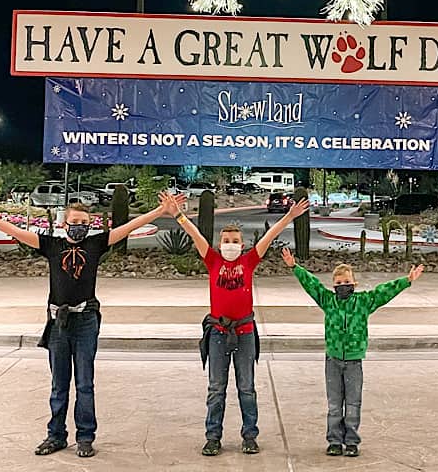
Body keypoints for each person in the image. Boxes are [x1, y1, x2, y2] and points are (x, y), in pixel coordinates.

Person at [0, 191, 185, 459]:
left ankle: (85, 437)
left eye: (85, 222)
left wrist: (160, 212)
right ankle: (56, 435)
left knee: (85, 383)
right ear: (64, 224)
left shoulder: (95, 245)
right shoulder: (51, 246)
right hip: (59, 323)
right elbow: (17, 232)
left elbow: (127, 228)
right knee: (59, 383)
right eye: (75, 221)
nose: (80, 226)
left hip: (86, 320)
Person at [176, 196, 310, 456]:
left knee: (246, 388)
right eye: (226, 241)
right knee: (216, 388)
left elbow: (269, 236)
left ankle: (250, 435)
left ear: (243, 244)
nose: (230, 245)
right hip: (217, 334)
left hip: (245, 334)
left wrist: (289, 217)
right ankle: (213, 437)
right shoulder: (212, 261)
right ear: (219, 244)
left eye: (235, 241)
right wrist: (178, 215)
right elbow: (194, 233)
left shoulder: (248, 262)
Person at [282, 248, 424, 457]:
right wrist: (295, 267)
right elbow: (312, 285)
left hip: (354, 361)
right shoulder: (328, 301)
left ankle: (351, 441)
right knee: (334, 404)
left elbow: (383, 292)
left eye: (346, 282)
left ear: (354, 284)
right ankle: (334, 441)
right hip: (332, 360)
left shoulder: (363, 302)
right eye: (338, 283)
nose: (342, 286)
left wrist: (406, 280)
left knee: (353, 403)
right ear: (333, 286)